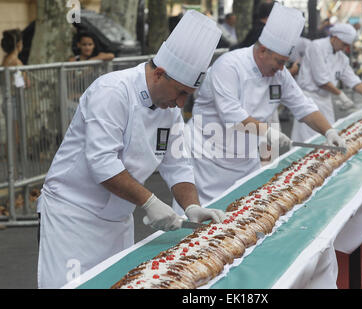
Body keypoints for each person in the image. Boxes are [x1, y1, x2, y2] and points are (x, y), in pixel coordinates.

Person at [36, 10, 225, 289]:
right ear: (159, 74)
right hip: (72, 217)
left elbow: (177, 164)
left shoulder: (169, 108)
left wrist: (192, 205)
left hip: (117, 220)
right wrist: (149, 202)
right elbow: (102, 163)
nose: (181, 103)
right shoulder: (112, 91)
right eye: (180, 92)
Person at [175, 3, 347, 211]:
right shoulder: (229, 66)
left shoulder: (279, 73)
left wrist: (328, 131)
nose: (282, 68)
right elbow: (232, 116)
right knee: (201, 231)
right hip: (207, 159)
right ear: (263, 50)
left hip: (245, 157)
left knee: (245, 215)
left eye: (286, 62)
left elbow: (303, 106)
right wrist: (268, 133)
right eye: (279, 61)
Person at [291, 23, 362, 143]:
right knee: (307, 140)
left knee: (329, 137)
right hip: (309, 99)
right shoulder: (316, 47)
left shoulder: (342, 58)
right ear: (335, 37)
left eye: (347, 45)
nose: (344, 48)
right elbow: (321, 80)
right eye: (344, 44)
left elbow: (353, 81)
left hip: (325, 100)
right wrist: (341, 95)